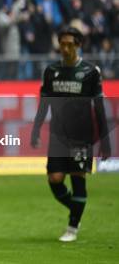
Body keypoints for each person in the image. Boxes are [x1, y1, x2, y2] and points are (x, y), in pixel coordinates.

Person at [31, 27, 111, 242]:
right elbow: (44, 103)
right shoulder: (51, 71)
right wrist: (36, 129)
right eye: (62, 44)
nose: (65, 48)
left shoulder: (90, 72)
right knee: (54, 179)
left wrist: (105, 140)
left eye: (69, 44)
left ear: (78, 45)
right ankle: (76, 208)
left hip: (81, 135)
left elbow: (99, 107)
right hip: (58, 135)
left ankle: (72, 227)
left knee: (78, 179)